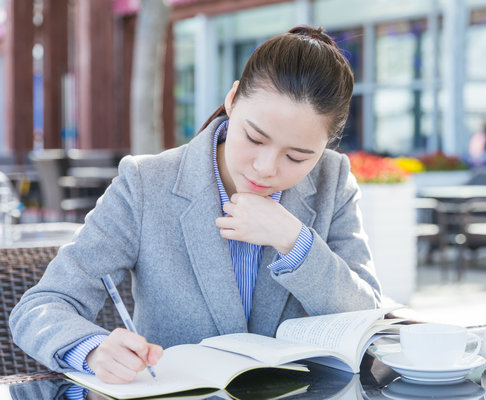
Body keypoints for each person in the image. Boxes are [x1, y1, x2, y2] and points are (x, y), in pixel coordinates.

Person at [9, 26, 382, 385]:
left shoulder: (333, 181)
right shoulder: (145, 184)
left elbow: (367, 314)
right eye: (254, 137)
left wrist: (294, 241)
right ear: (233, 99)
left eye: (297, 157)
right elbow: (42, 306)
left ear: (326, 148)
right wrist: (91, 349)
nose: (266, 168)